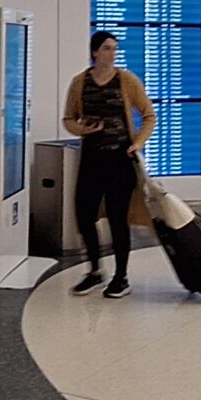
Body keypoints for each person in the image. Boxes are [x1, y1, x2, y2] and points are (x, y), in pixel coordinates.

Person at [62, 30, 155, 299]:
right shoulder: (80, 82)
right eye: (106, 48)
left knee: (117, 218)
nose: (112, 53)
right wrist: (82, 129)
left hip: (119, 160)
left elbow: (148, 115)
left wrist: (137, 142)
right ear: (94, 52)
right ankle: (94, 271)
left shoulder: (126, 80)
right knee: (84, 214)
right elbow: (68, 118)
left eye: (114, 48)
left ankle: (121, 276)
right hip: (92, 158)